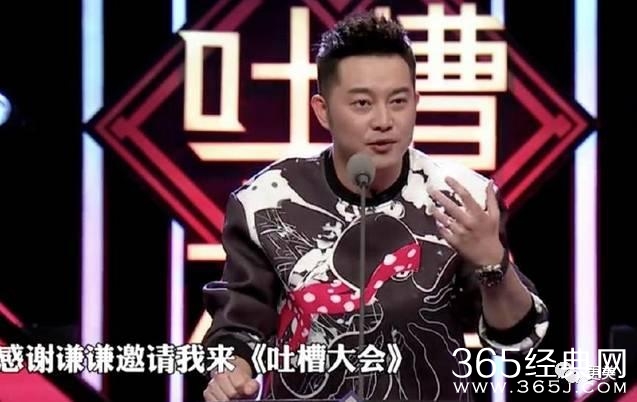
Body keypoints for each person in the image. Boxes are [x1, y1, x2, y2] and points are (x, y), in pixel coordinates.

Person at [202, 11, 549, 402]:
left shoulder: (462, 197)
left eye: (398, 101)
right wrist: (233, 372)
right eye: (362, 104)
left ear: (416, 102)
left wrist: (492, 262)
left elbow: (515, 339)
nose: (384, 121)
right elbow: (240, 321)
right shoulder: (267, 200)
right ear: (322, 110)